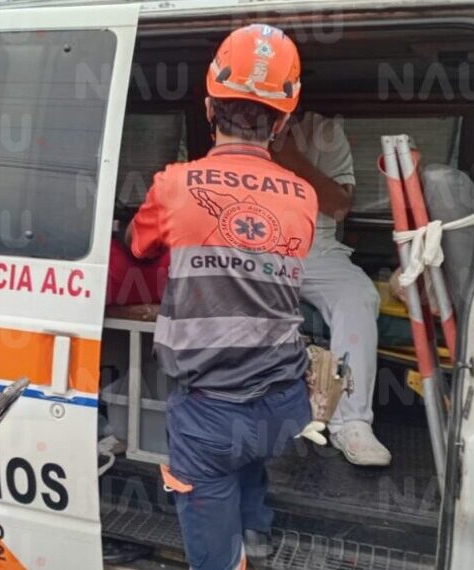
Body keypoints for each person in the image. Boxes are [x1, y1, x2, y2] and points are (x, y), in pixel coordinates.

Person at [125, 25, 316, 569]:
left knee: (212, 551)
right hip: (285, 401)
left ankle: (238, 553)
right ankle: (257, 536)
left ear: (210, 108)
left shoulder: (174, 184)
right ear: (281, 121)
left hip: (210, 414)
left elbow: (139, 247)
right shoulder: (303, 197)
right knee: (251, 457)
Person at [274, 111, 392, 466]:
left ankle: (351, 422)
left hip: (316, 249)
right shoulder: (239, 128)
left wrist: (290, 156)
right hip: (253, 248)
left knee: (358, 295)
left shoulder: (322, 130)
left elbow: (340, 206)